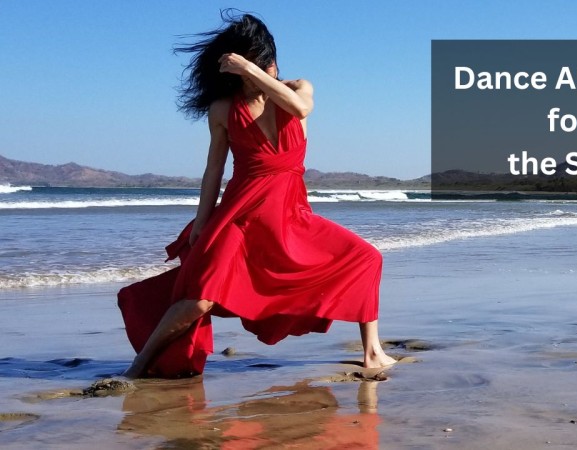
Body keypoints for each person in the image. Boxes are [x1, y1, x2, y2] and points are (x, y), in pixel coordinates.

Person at [121, 11, 396, 378]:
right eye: (248, 70)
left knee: (366, 258)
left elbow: (302, 109)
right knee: (200, 299)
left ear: (272, 65)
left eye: (264, 67)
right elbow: (213, 171)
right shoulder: (222, 110)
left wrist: (251, 71)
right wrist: (202, 222)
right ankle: (138, 367)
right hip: (239, 216)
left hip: (291, 215)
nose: (258, 76)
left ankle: (373, 351)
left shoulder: (298, 90)